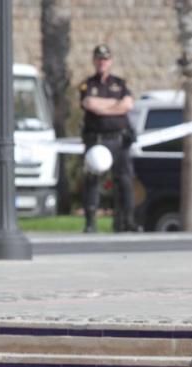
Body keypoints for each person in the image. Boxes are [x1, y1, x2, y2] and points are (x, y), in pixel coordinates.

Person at [79, 44, 136, 233]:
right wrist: (114, 104)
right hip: (96, 140)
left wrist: (104, 107)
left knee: (125, 180)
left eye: (105, 59)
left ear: (110, 61)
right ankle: (90, 222)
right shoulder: (89, 84)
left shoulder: (119, 83)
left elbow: (127, 105)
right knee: (92, 180)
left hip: (118, 140)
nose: (102, 62)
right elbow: (89, 103)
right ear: (94, 61)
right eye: (99, 59)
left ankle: (126, 220)